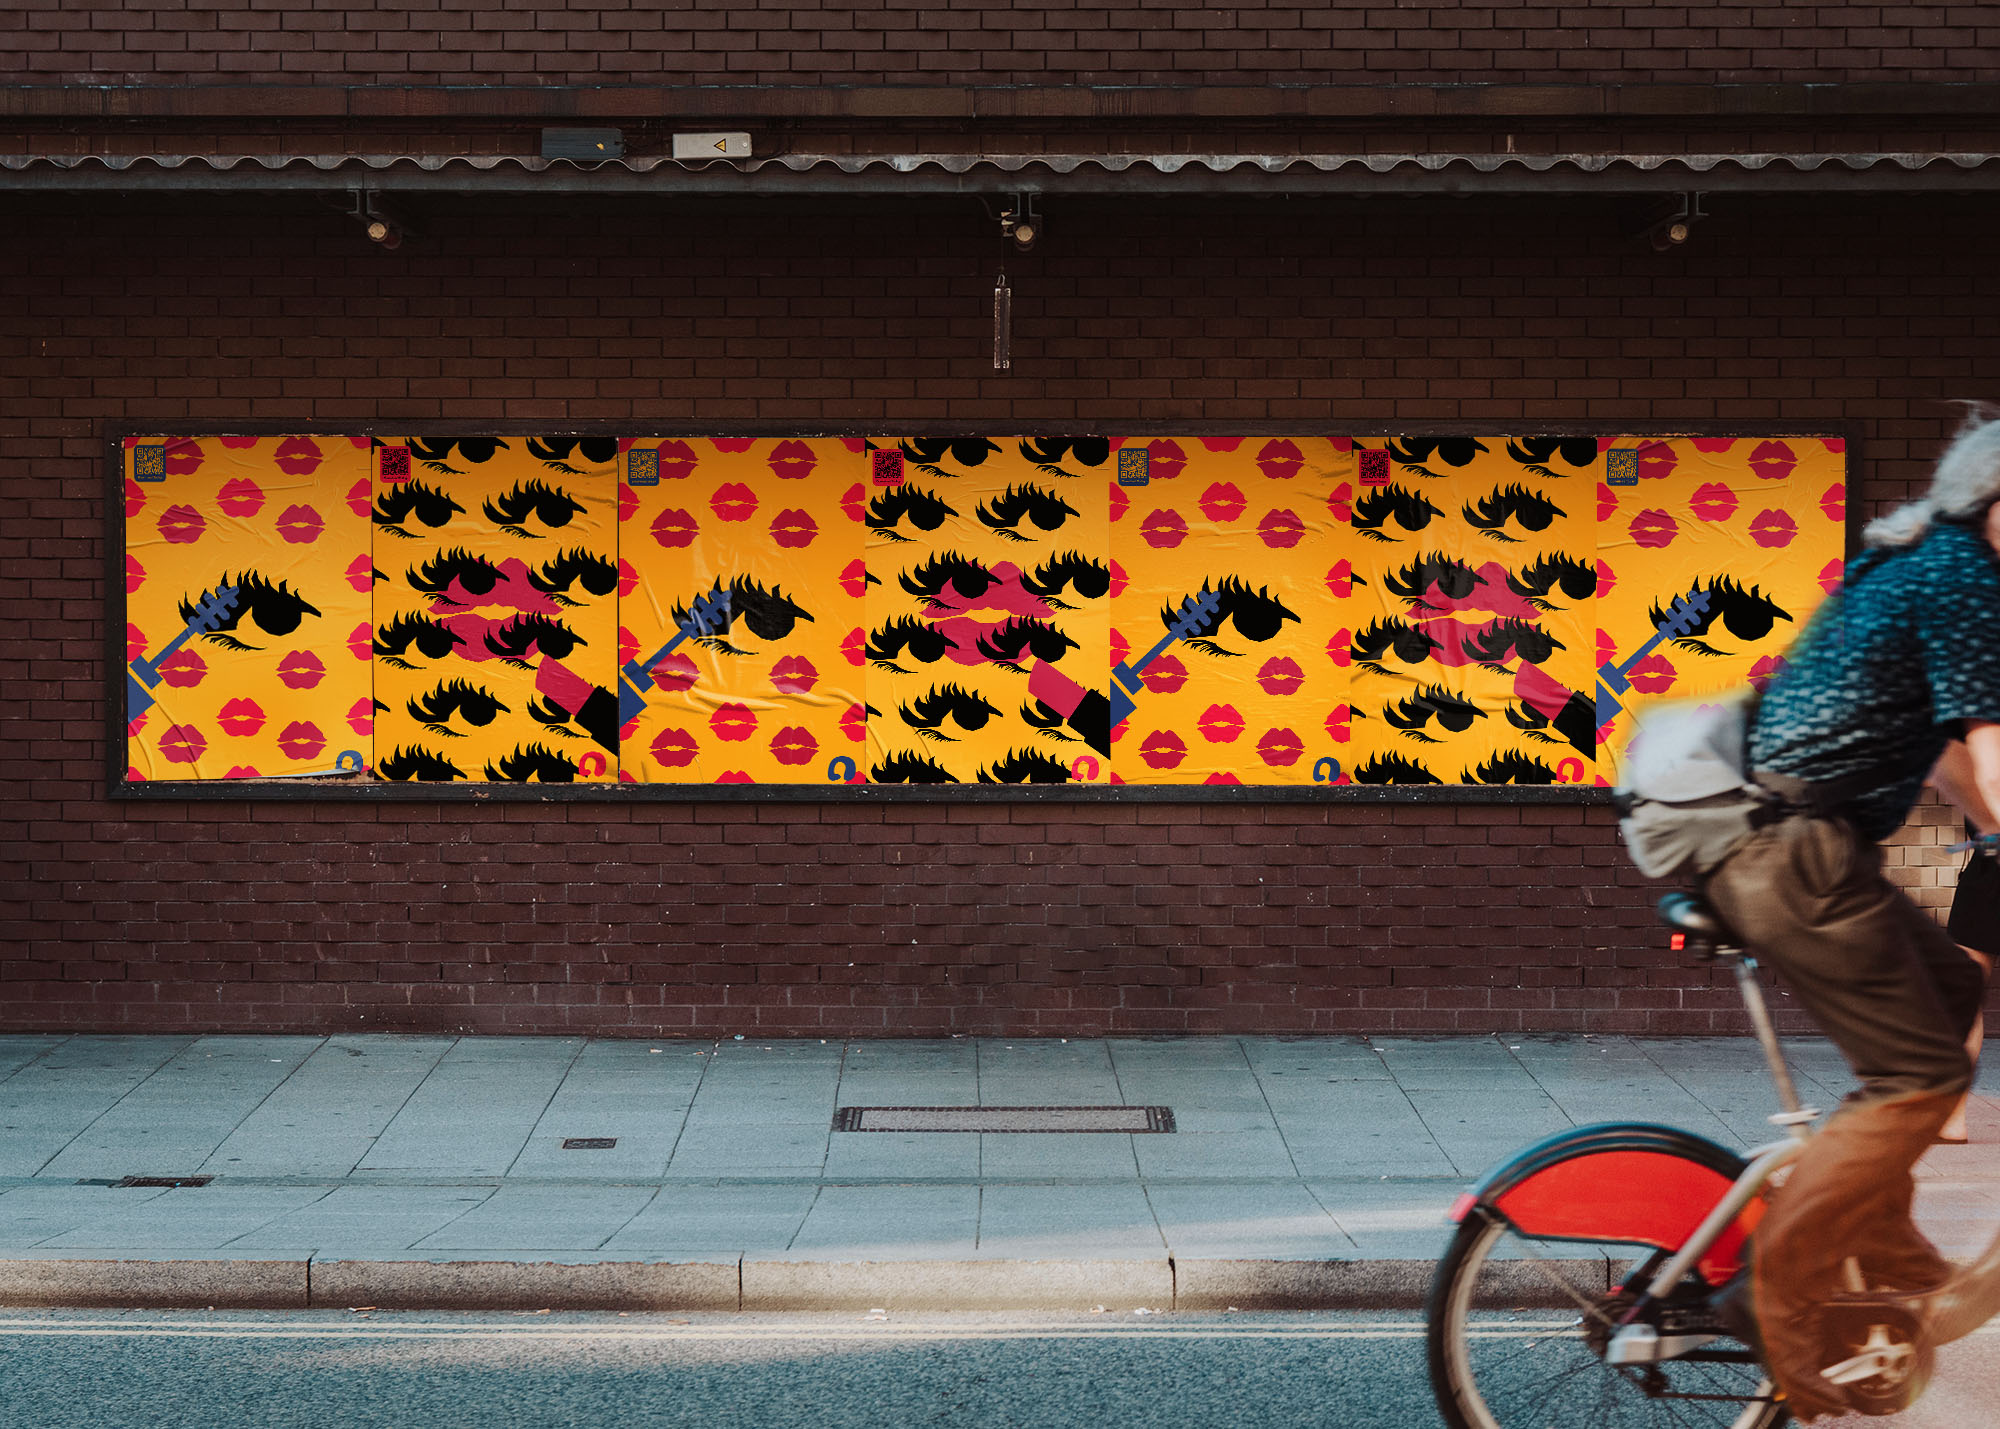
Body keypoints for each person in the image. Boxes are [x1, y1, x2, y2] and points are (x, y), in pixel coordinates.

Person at [1697, 407, 2000, 1421]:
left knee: (1953, 985)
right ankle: (1772, 1287)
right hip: (1787, 848)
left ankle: (1888, 1255)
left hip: (1783, 839)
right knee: (1913, 1073)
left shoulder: (1917, 559)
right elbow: (1991, 753)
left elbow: (1953, 760)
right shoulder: (1963, 574)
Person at [1940, 825, 2000, 1143]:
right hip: (1987, 863)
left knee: (1963, 997)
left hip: (1990, 867)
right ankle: (1950, 1121)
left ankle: (1951, 1121)